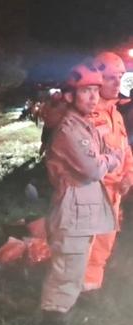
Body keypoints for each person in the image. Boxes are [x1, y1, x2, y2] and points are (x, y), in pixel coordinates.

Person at [40, 63, 123, 325]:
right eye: (86, 91)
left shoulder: (82, 124)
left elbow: (104, 153)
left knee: (75, 266)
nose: (93, 98)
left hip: (82, 207)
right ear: (69, 96)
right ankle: (52, 324)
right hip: (73, 207)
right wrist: (112, 159)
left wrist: (107, 157)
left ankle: (63, 315)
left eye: (95, 91)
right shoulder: (69, 129)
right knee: (67, 269)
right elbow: (94, 167)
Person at [83, 52, 133, 293]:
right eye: (110, 77)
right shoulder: (87, 117)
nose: (117, 83)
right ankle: (71, 295)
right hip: (93, 195)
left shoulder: (116, 114)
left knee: (104, 243)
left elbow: (125, 150)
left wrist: (128, 176)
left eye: (120, 77)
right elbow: (84, 161)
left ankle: (91, 289)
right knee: (85, 245)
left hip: (113, 195)